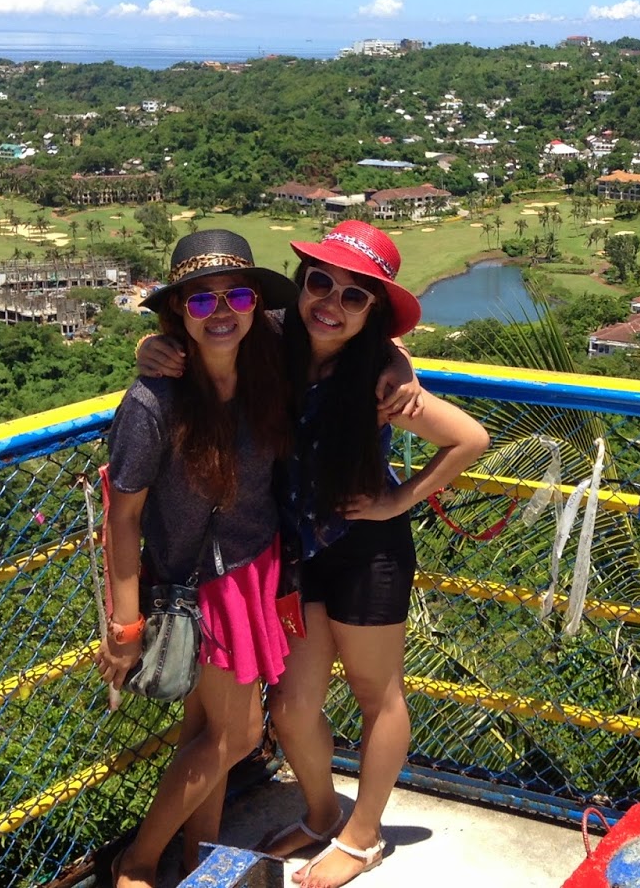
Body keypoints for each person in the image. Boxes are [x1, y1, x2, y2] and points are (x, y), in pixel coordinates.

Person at [138, 221, 489, 888]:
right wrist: (150, 344)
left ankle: (364, 837)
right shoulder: (272, 339)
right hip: (298, 557)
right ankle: (327, 812)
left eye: (354, 296)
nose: (332, 301)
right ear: (300, 286)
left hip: (367, 554)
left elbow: (470, 438)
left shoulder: (380, 380)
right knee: (293, 708)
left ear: (374, 313)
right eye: (320, 282)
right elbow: (200, 322)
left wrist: (398, 499)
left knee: (375, 694)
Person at [96, 229, 299, 888]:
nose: (221, 310)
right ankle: (138, 862)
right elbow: (122, 519)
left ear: (255, 303)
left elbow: (353, 318)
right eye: (199, 299)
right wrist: (125, 626)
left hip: (253, 566)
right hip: (198, 587)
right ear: (176, 311)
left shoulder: (266, 353)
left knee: (206, 733)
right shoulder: (152, 401)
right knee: (235, 735)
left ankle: (200, 860)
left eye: (236, 294)